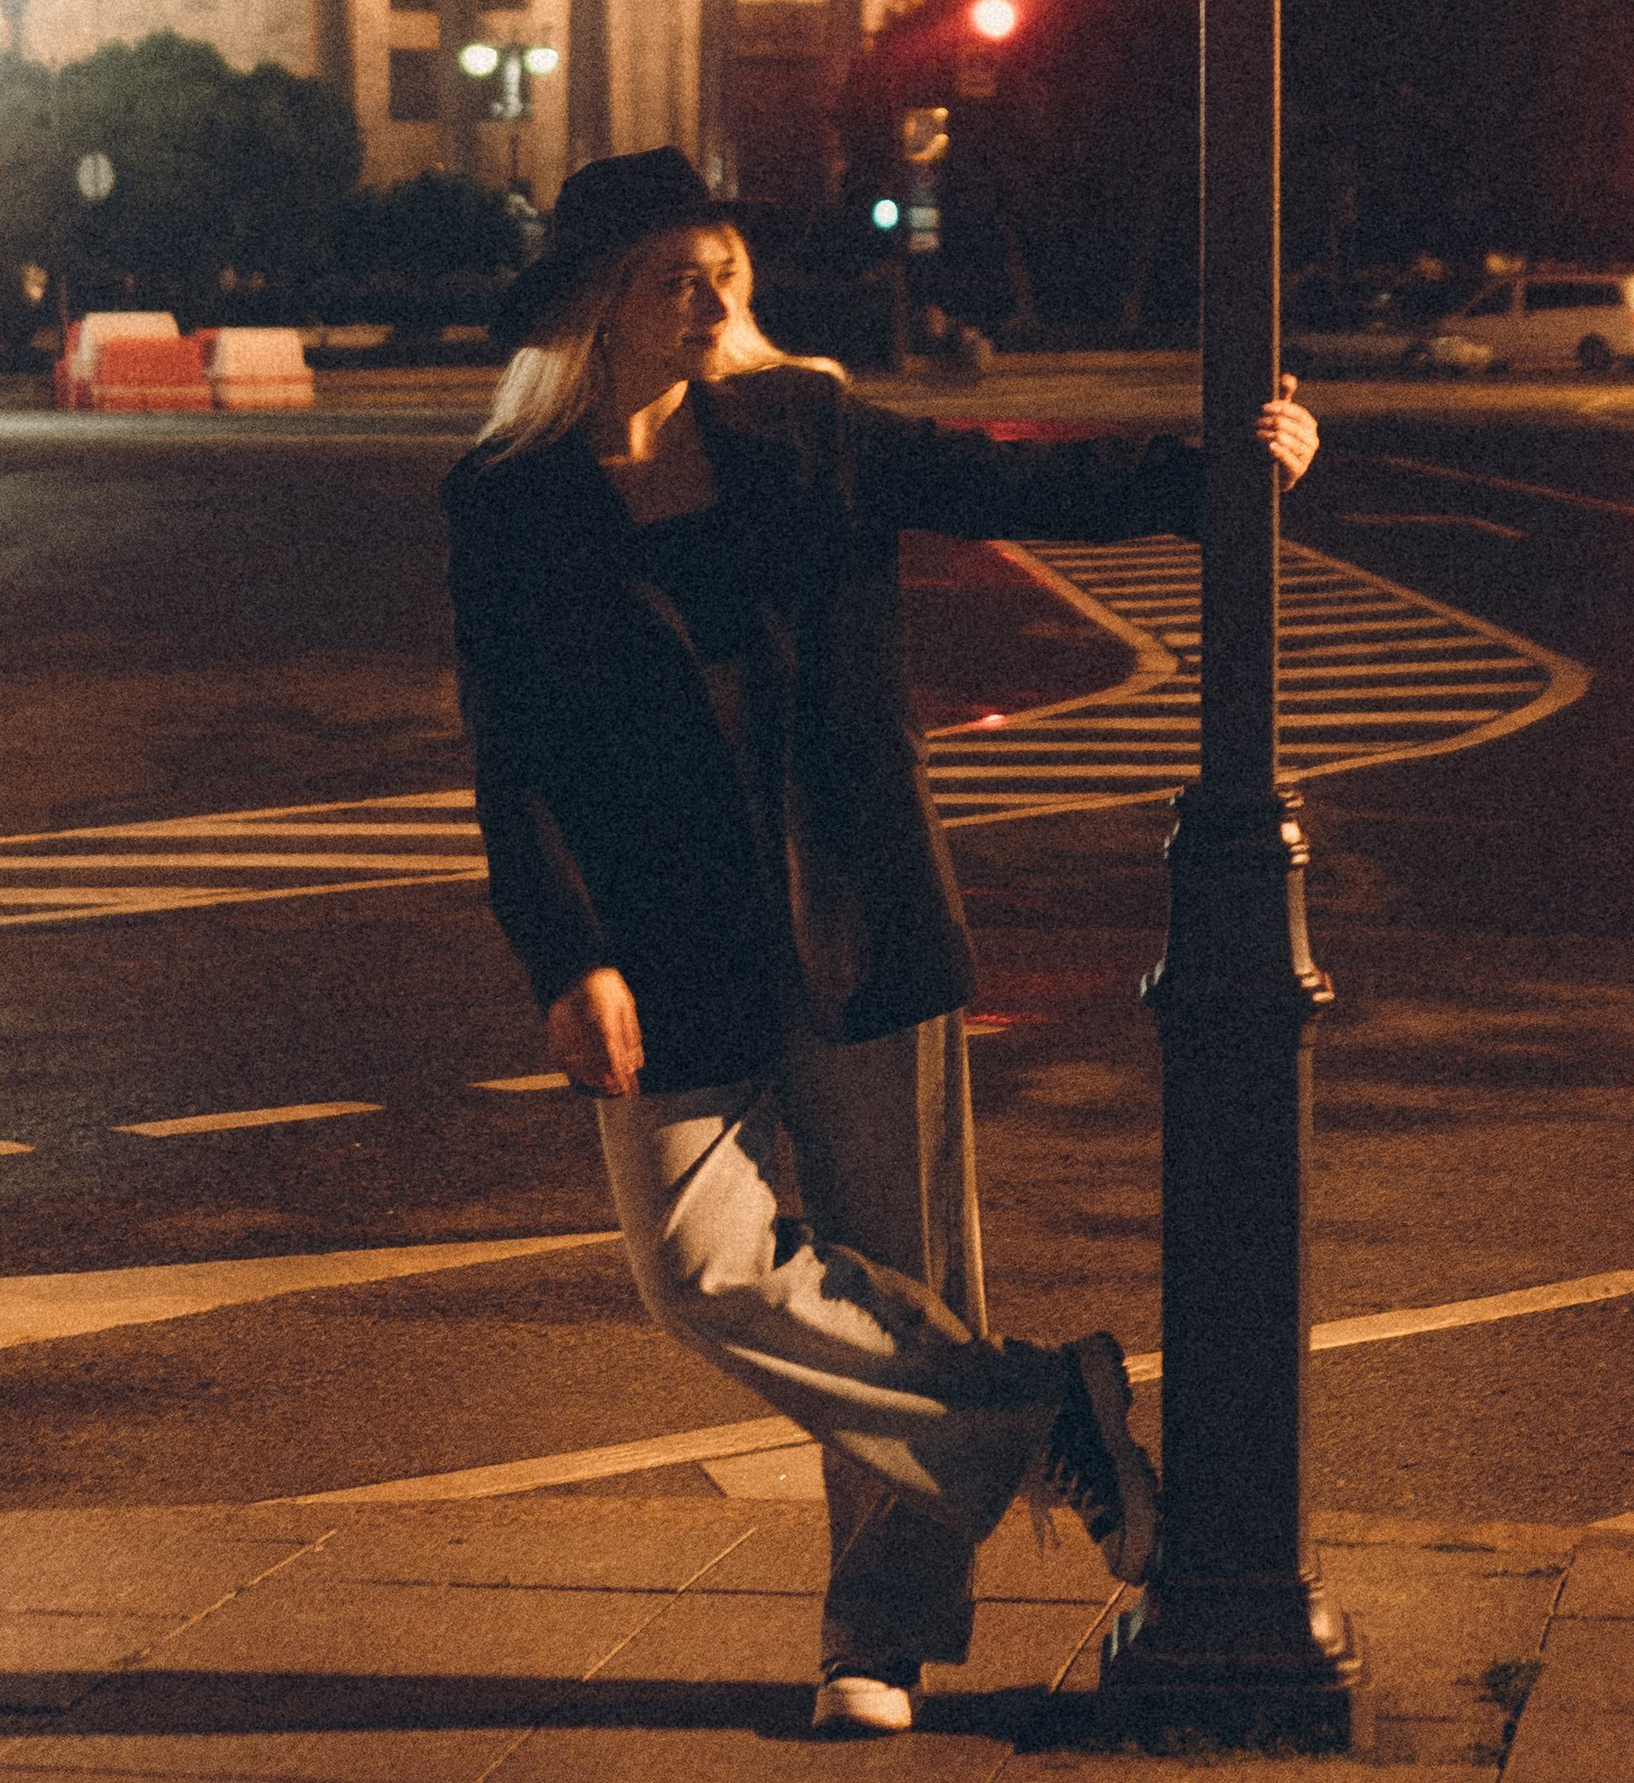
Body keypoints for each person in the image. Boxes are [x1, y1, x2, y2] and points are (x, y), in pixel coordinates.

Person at [444, 146, 1321, 1741]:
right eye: (671, 276)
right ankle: (1048, 1412)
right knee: (704, 1273)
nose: (710, 297)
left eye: (724, 267)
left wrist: (1216, 473)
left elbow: (1005, 480)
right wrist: (564, 959)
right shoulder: (509, 502)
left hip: (851, 906)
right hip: (659, 949)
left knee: (899, 1272)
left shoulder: (808, 431)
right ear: (598, 310)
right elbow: (515, 760)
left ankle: (883, 1638)